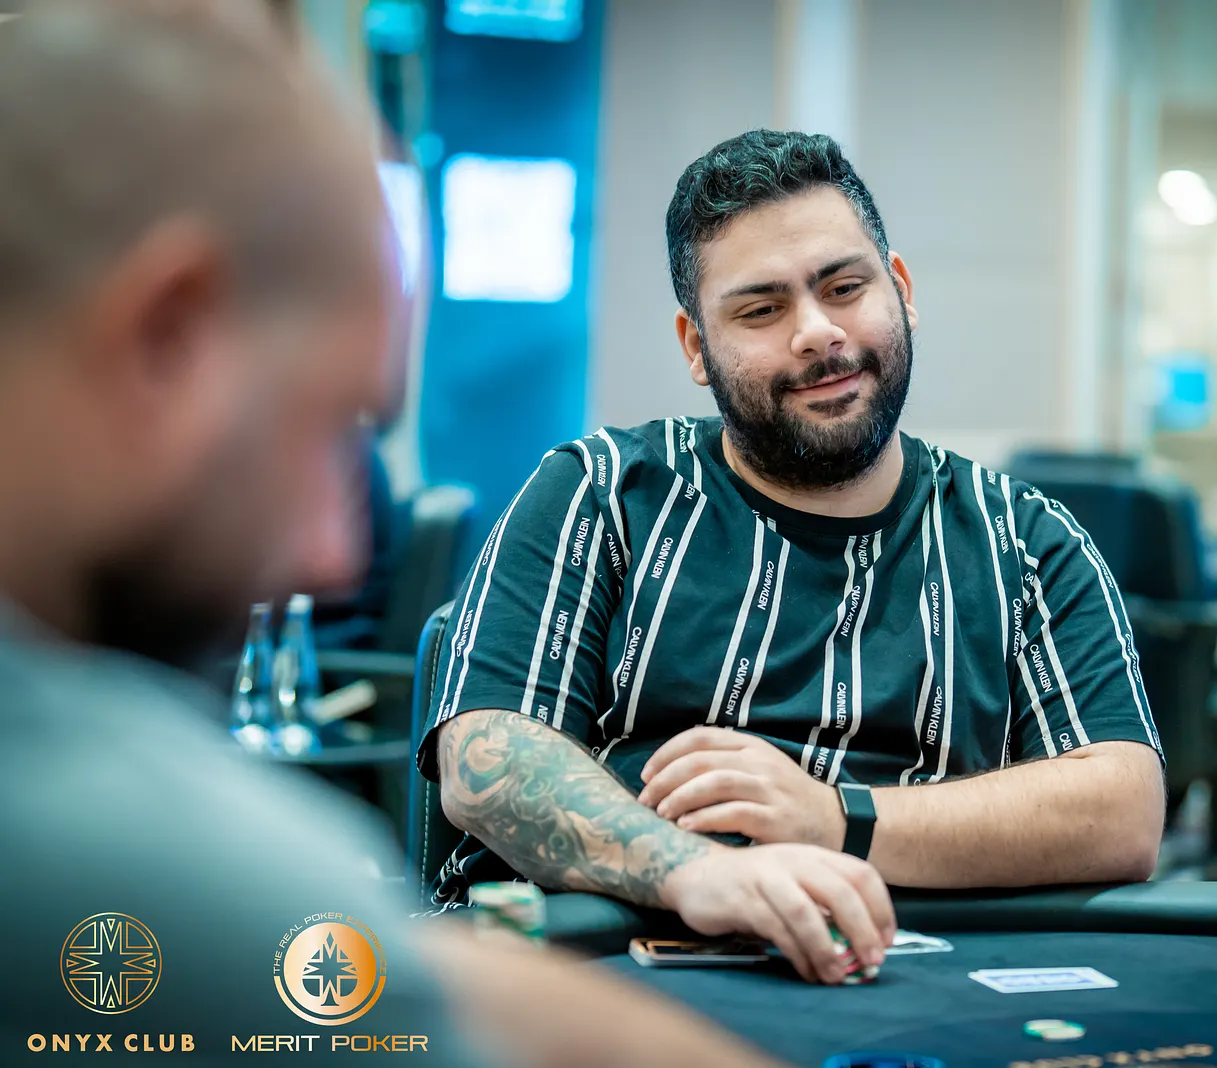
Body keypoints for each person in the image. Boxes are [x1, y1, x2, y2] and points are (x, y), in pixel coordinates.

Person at [0, 3, 782, 1064]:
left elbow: (389, 978)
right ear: (165, 339)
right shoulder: (104, 841)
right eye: (333, 431)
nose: (330, 557)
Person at [417, 130, 1167, 980]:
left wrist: (833, 818)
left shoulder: (1028, 543)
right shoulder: (601, 495)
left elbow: (1123, 811)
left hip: (920, 973)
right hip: (608, 972)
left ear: (901, 291)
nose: (817, 332)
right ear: (696, 347)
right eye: (761, 310)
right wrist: (701, 872)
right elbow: (487, 756)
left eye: (845, 288)